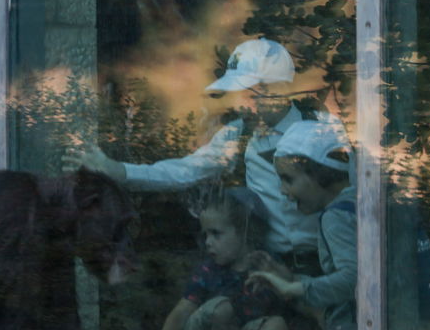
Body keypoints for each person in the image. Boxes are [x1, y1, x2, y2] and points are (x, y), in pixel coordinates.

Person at [66, 37, 323, 275]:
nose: (248, 99)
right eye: (245, 90)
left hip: (324, 265)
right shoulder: (240, 134)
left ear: (277, 86)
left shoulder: (321, 131)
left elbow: (352, 194)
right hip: (266, 267)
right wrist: (117, 170)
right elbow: (186, 170)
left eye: (253, 89)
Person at [246, 119, 357, 330]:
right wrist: (286, 277)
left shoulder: (335, 217)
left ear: (321, 174)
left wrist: (295, 289)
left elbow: (355, 278)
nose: (283, 191)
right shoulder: (358, 204)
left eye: (288, 179)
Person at [153, 188, 288, 330]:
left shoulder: (265, 262)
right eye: (205, 235)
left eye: (216, 234)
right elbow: (184, 308)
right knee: (222, 309)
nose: (208, 242)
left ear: (245, 232)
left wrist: (275, 272)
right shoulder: (207, 270)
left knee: (278, 325)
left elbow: (290, 288)